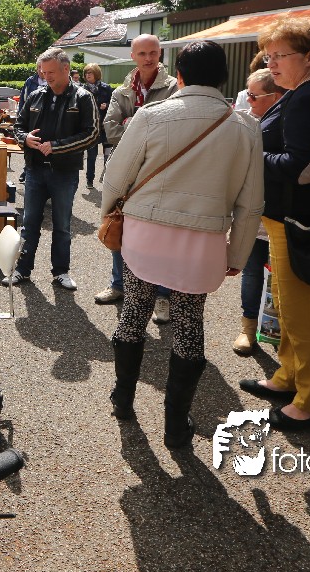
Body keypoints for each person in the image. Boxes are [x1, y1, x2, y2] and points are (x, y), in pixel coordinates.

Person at [102, 40, 263, 448]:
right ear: (224, 76)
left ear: (179, 74)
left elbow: (117, 177)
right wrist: (238, 253)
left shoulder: (151, 115)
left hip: (144, 237)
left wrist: (108, 217)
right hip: (203, 243)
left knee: (133, 312)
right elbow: (250, 204)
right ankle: (175, 425)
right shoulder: (245, 126)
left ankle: (123, 399)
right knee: (189, 323)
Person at [240, 18, 310, 431]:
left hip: (299, 220)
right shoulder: (307, 91)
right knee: (286, 304)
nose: (269, 64)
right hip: (288, 218)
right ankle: (288, 376)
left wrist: (249, 152)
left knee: (300, 311)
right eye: (267, 56)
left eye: (278, 56)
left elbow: (304, 168)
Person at [4, 48, 99, 291]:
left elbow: (92, 134)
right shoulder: (35, 95)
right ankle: (22, 269)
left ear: (66, 69)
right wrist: (25, 139)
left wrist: (57, 146)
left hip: (64, 172)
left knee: (62, 225)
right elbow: (18, 126)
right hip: (35, 170)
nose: (46, 77)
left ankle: (61, 272)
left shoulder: (83, 97)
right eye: (43, 72)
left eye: (51, 72)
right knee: (30, 223)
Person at [95, 34, 178, 314]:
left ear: (160, 53)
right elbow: (110, 129)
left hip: (159, 172)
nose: (148, 58)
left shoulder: (173, 89)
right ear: (133, 56)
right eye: (142, 53)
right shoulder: (122, 91)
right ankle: (118, 284)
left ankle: (162, 295)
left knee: (161, 234)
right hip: (127, 172)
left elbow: (170, 132)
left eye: (153, 52)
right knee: (118, 226)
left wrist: (132, 123)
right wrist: (145, 128)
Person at [233, 67, 284, 355]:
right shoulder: (251, 120)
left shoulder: (286, 120)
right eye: (248, 95)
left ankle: (279, 332)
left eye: (253, 96)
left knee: (281, 276)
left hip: (280, 212)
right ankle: (248, 328)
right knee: (251, 270)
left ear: (274, 96)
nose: (248, 100)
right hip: (254, 210)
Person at [81, 63, 112, 190]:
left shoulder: (106, 88)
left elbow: (114, 104)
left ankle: (107, 179)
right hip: (91, 128)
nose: (87, 75)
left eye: (90, 73)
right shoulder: (82, 89)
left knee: (108, 155)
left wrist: (107, 105)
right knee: (91, 156)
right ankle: (89, 180)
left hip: (105, 128)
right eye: (86, 73)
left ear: (96, 74)